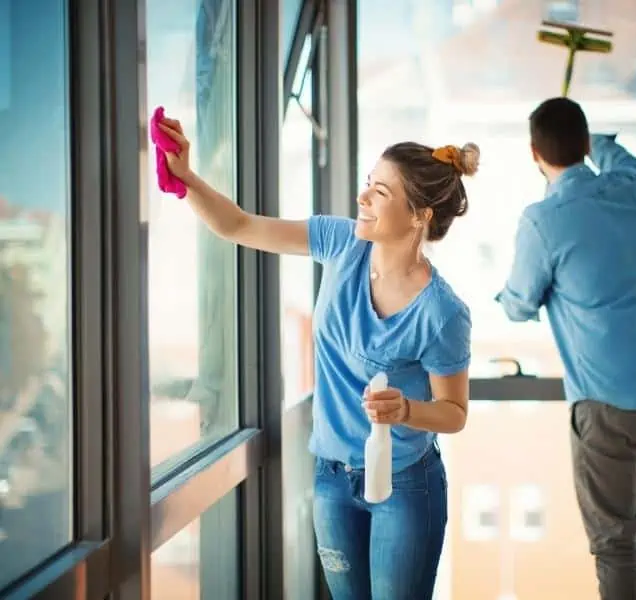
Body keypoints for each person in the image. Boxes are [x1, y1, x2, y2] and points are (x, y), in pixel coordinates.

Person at [157, 117, 476, 600]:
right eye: (368, 185)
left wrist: (407, 410)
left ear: (420, 216)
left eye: (380, 193)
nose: (362, 198)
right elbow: (238, 225)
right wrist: (186, 177)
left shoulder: (442, 312)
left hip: (407, 486)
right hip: (331, 477)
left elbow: (454, 414)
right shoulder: (342, 242)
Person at [495, 97, 636, 600]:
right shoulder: (629, 187)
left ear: (535, 154)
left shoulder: (543, 221)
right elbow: (620, 156)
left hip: (608, 406)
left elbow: (518, 302)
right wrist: (592, 139)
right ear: (585, 142)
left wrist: (505, 297)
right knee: (629, 526)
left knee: (613, 542)